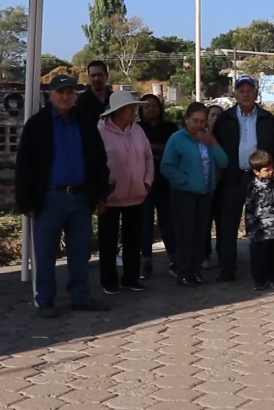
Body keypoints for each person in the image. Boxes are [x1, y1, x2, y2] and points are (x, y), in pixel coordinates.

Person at [15, 75, 111, 319]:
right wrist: (26, 202)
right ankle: (45, 299)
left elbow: (99, 161)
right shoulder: (38, 125)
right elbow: (24, 165)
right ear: (51, 94)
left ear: (75, 95)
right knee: (45, 253)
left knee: (80, 252)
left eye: (70, 92)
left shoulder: (85, 123)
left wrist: (100, 195)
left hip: (80, 197)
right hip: (50, 198)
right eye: (60, 92)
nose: (66, 96)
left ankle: (81, 296)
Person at [212, 76, 274, 282]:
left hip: (259, 179)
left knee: (262, 225)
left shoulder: (267, 118)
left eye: (249, 90)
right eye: (241, 90)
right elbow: (218, 145)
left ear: (256, 93)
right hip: (232, 178)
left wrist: (265, 168)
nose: (245, 93)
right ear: (235, 94)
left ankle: (263, 270)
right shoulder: (226, 118)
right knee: (227, 225)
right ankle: (227, 269)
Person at [161, 102, 228, 287]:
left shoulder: (208, 138)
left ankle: (196, 271)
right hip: (184, 194)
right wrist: (185, 180)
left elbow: (223, 162)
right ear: (186, 119)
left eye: (202, 121)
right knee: (185, 234)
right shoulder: (177, 139)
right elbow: (166, 166)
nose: (198, 125)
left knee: (200, 234)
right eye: (195, 120)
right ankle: (183, 272)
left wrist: (213, 144)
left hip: (205, 193)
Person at [97, 90, 153, 294]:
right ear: (117, 111)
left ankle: (131, 278)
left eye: (134, 108)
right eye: (129, 108)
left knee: (133, 240)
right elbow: (95, 163)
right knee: (108, 241)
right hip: (110, 197)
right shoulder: (101, 132)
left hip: (137, 195)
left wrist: (146, 182)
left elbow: (148, 157)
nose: (134, 112)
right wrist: (101, 191)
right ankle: (109, 281)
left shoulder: (137, 130)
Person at [138, 94, 180, 279]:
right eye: (146, 106)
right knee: (144, 224)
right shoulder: (136, 129)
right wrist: (157, 150)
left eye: (154, 105)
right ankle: (146, 261)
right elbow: (139, 152)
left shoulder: (170, 128)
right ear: (141, 110)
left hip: (166, 182)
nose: (151, 109)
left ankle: (174, 260)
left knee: (169, 222)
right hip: (143, 183)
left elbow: (174, 150)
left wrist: (151, 150)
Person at [243, 150, 274, 291]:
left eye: (272, 168)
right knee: (259, 256)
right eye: (266, 170)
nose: (271, 172)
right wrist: (250, 229)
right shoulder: (253, 187)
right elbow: (249, 209)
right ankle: (260, 280)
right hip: (260, 230)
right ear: (257, 172)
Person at [202, 103, 225, 268]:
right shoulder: (201, 136)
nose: (216, 118)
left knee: (222, 222)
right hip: (205, 185)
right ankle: (204, 255)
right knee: (204, 221)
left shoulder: (227, 136)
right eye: (213, 115)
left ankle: (223, 254)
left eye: (219, 115)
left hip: (224, 185)